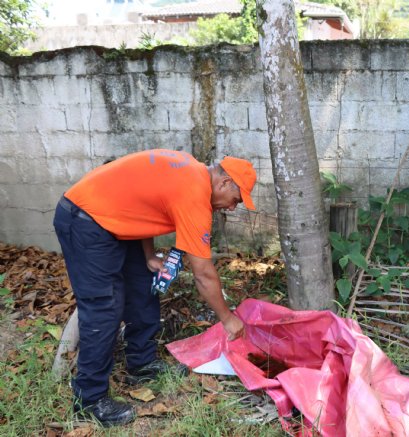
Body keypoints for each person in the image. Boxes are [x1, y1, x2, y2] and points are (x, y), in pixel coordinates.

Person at [53, 149, 257, 427]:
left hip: (112, 219)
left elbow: (141, 208)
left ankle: (141, 363)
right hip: (86, 219)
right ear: (224, 182)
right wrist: (228, 319)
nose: (232, 208)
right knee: (104, 307)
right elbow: (203, 274)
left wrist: (149, 255)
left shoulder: (190, 171)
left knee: (142, 285)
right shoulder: (194, 193)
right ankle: (89, 401)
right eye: (236, 200)